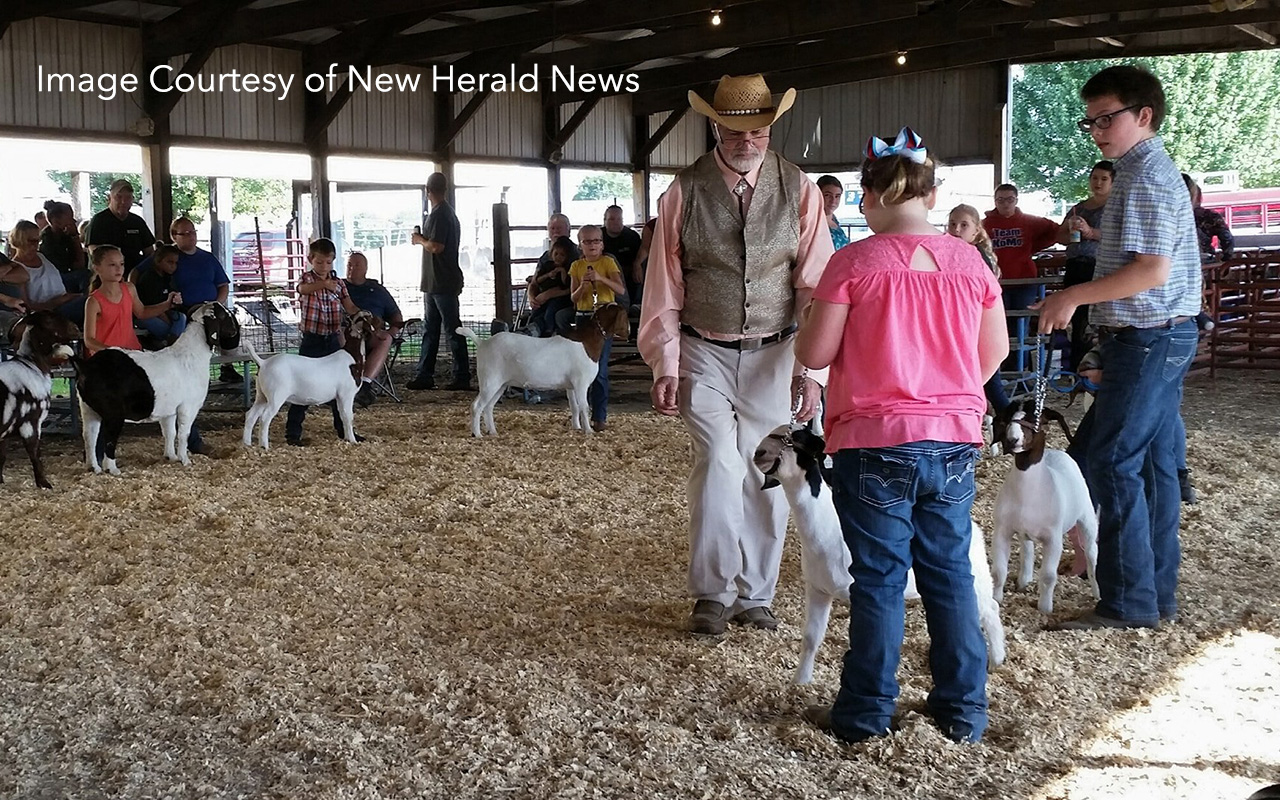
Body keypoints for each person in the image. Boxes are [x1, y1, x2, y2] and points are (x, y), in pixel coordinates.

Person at [795, 127, 1008, 745]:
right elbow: (991, 353)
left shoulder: (853, 263)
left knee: (881, 578)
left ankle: (865, 716)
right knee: (948, 574)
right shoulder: (970, 263)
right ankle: (963, 712)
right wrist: (946, 389)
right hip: (953, 438)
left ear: (870, 196)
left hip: (873, 437)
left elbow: (815, 350)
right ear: (931, 194)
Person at [638, 73, 833, 636]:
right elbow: (665, 285)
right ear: (715, 125)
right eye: (734, 128)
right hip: (705, 351)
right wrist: (665, 363)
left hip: (777, 351)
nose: (746, 139)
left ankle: (757, 595)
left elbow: (813, 286)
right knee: (721, 463)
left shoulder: (800, 189)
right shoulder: (682, 190)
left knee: (767, 469)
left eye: (759, 128)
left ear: (770, 127)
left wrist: (812, 368)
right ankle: (713, 592)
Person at [1034, 64, 1201, 630]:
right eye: (1091, 122)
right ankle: (1155, 594)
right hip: (1154, 334)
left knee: (1112, 459)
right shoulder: (1137, 173)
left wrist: (1073, 296)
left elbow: (1152, 272)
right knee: (1151, 462)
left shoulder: (1149, 177)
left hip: (1151, 334)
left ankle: (1129, 600)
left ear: (1144, 115)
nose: (1097, 129)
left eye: (1107, 118)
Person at [285, 238, 366, 447]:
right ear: (311, 259)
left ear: (333, 261)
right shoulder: (307, 279)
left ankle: (344, 430)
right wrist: (323, 284)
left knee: (340, 387)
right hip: (311, 339)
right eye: (319, 262)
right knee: (301, 383)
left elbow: (349, 306)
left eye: (328, 262)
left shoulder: (339, 284)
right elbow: (302, 289)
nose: (324, 266)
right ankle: (293, 433)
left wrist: (361, 315)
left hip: (332, 340)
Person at [135, 217, 234, 379]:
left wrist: (217, 303)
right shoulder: (168, 255)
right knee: (195, 320)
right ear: (174, 235)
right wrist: (132, 293)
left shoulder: (208, 257)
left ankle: (227, 366)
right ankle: (176, 355)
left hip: (210, 304)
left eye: (193, 232)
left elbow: (223, 285)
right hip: (184, 307)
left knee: (228, 321)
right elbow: (137, 272)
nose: (191, 236)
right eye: (186, 233)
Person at [407, 172, 469, 391]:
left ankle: (459, 375)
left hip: (440, 280)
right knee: (436, 328)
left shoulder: (440, 215)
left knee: (448, 329)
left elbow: (436, 246)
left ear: (428, 190)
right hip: (437, 280)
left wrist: (419, 239)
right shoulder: (444, 213)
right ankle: (429, 374)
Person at [947, 203, 1009, 413]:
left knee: (990, 380)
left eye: (964, 225)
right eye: (953, 224)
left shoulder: (976, 256)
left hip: (976, 325)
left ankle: (1011, 420)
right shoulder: (955, 254)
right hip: (964, 324)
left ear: (976, 230)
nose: (956, 230)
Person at [1056, 161, 1115, 372]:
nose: (1098, 183)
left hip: (1100, 267)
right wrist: (1072, 232)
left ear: (1112, 182)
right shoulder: (1078, 208)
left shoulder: (1115, 207)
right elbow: (1060, 236)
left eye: (1104, 179)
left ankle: (1099, 367)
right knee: (1077, 319)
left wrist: (1091, 232)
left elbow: (1118, 236)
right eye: (1095, 178)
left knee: (1097, 319)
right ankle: (1077, 369)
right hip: (1075, 266)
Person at [569, 224, 626, 432]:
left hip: (604, 320)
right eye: (587, 241)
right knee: (579, 370)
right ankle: (579, 416)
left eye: (596, 241)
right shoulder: (576, 266)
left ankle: (599, 416)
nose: (592, 245)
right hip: (583, 318)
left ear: (602, 244)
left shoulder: (608, 263)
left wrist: (601, 279)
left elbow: (619, 289)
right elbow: (573, 298)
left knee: (599, 369)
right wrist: (583, 287)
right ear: (580, 245)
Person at [82, 245, 180, 356]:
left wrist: (167, 304)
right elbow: (89, 340)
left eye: (122, 264)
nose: (119, 269)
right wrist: (113, 352)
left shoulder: (129, 289)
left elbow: (142, 312)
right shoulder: (94, 301)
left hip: (132, 351)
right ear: (97, 268)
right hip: (107, 359)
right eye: (112, 265)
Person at [982, 183, 1060, 317]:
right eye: (1000, 200)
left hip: (1025, 280)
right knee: (999, 319)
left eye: (1010, 200)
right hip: (996, 280)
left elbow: (1056, 231)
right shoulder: (984, 224)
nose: (1005, 204)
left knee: (1022, 319)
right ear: (995, 201)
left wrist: (1033, 247)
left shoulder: (1029, 221)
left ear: (1016, 201)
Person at [344, 251, 405, 408]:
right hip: (346, 333)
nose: (352, 268)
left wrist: (391, 331)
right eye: (349, 265)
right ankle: (339, 385)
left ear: (366, 268)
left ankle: (364, 384)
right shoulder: (339, 287)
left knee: (385, 339)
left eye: (357, 265)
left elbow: (396, 316)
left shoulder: (377, 290)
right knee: (336, 333)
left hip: (371, 333)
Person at [7, 220, 83, 320]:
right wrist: (56, 302)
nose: (36, 245)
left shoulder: (40, 256)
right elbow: (26, 307)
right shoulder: (17, 269)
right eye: (31, 241)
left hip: (65, 300)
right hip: (49, 311)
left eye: (38, 240)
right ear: (19, 241)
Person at [85, 179, 155, 277]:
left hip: (135, 274)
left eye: (128, 197)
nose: (123, 202)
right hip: (107, 277)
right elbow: (95, 252)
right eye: (119, 197)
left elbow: (149, 252)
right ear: (109, 198)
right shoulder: (99, 221)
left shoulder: (137, 221)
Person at [129, 243, 188, 345]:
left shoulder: (167, 278)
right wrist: (168, 321)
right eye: (169, 262)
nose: (173, 266)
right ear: (158, 261)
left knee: (182, 318)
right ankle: (172, 342)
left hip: (165, 311)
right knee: (164, 327)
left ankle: (168, 341)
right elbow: (152, 307)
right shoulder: (149, 278)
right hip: (147, 314)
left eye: (175, 263)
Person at [526, 235, 575, 338]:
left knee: (551, 310)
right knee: (537, 309)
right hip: (543, 293)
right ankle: (531, 326)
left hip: (561, 298)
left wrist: (562, 272)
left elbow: (567, 285)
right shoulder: (547, 264)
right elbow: (536, 280)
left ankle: (547, 330)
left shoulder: (569, 266)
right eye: (556, 254)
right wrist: (548, 275)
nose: (558, 257)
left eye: (562, 255)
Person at [38, 200, 89, 292]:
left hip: (66, 276)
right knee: (85, 275)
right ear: (56, 221)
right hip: (55, 279)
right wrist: (75, 236)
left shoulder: (65, 237)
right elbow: (78, 266)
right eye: (70, 217)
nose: (74, 220)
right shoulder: (47, 242)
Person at [1183, 173, 1234, 261]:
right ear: (1198, 197)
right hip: (1204, 260)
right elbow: (1227, 238)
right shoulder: (1210, 216)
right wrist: (1226, 259)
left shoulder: (1167, 215)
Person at [602, 205, 642, 307]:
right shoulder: (598, 236)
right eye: (612, 219)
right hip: (605, 275)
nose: (616, 222)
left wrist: (637, 266)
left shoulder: (632, 236)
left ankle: (637, 304)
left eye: (619, 219)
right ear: (604, 221)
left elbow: (640, 257)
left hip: (630, 274)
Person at [816, 175, 850, 250]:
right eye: (827, 195)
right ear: (818, 195)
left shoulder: (835, 220)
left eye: (837, 196)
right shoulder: (812, 222)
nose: (833, 201)